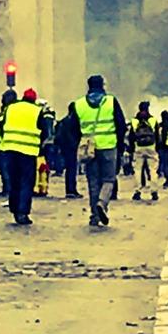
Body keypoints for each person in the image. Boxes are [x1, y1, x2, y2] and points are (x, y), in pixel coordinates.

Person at [68, 74, 126, 228]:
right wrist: (121, 145)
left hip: (90, 149)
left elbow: (72, 128)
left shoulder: (79, 104)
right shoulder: (111, 101)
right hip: (108, 146)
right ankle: (102, 203)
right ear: (102, 86)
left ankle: (94, 215)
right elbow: (121, 125)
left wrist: (79, 143)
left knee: (93, 182)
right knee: (108, 179)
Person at [0, 88, 44, 225]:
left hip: (10, 149)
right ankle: (22, 212)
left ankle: (14, 208)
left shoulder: (11, 108)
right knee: (26, 183)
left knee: (14, 181)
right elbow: (43, 131)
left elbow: (2, 125)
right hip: (28, 152)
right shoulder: (37, 111)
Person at [130, 101, 160, 202]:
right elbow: (157, 135)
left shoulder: (134, 121)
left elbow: (131, 136)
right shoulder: (153, 120)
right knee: (153, 170)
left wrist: (131, 148)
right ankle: (154, 192)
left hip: (138, 147)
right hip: (151, 147)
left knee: (138, 170)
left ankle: (137, 192)